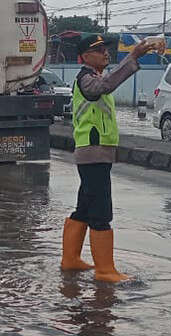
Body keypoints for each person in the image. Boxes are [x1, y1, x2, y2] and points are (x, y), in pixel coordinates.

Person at [60, 32, 159, 283]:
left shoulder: (94, 77)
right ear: (84, 57)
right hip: (93, 153)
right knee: (101, 212)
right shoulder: (86, 79)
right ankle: (105, 271)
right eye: (99, 50)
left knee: (84, 208)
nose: (106, 53)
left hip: (96, 153)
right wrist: (133, 57)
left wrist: (131, 58)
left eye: (106, 49)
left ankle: (70, 260)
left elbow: (107, 82)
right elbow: (105, 86)